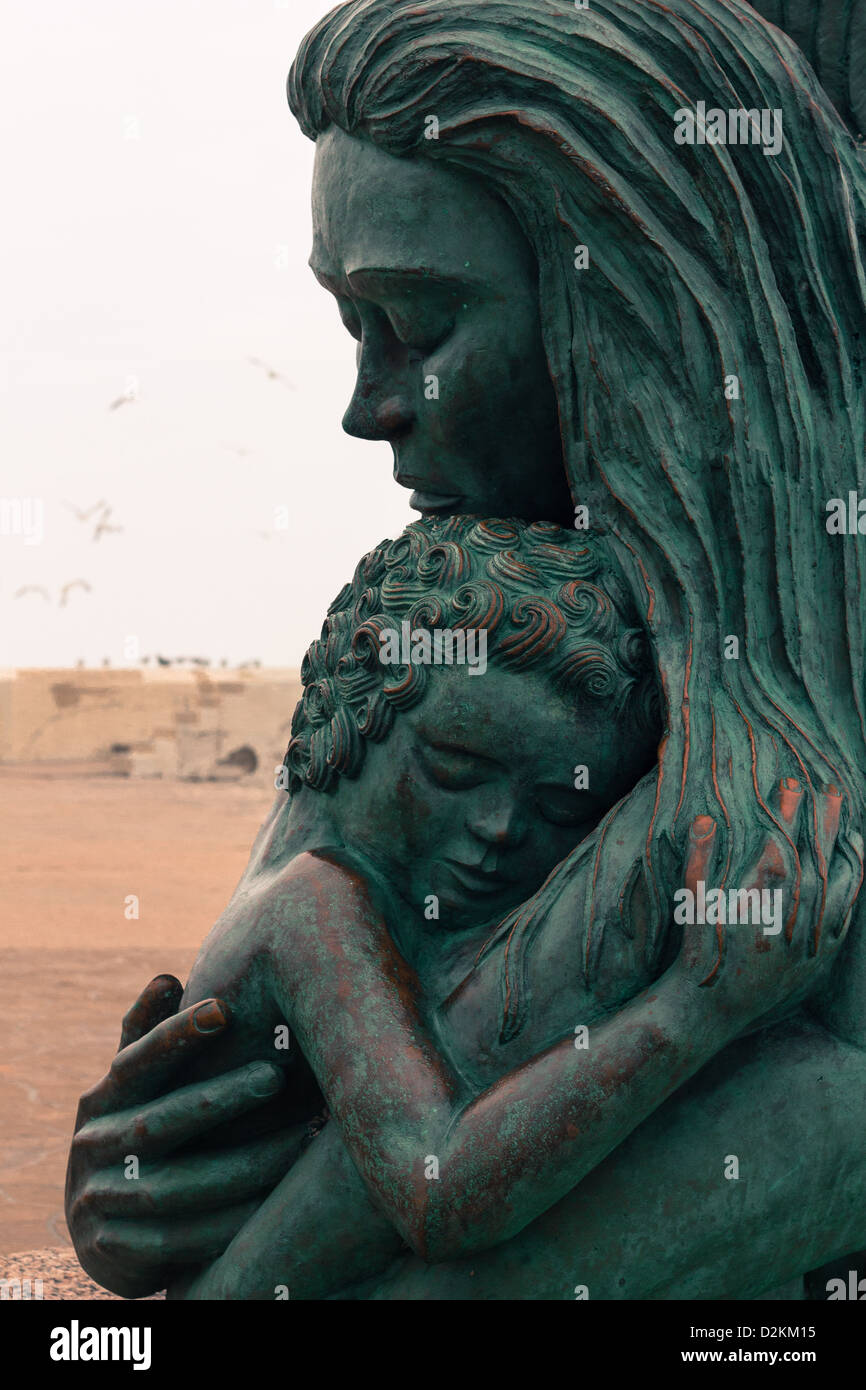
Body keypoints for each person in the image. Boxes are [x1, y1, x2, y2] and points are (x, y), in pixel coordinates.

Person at [67, 0, 866, 1299]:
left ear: (633, 318)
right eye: (353, 325)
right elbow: (304, 1038)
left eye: (419, 326)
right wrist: (147, 1161)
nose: (366, 408)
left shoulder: (723, 704)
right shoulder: (473, 632)